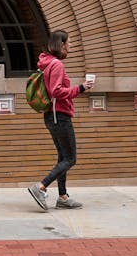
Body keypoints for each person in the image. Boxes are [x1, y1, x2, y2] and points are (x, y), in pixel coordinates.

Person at [27, 29, 94, 211]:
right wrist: (80, 88)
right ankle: (40, 187)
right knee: (70, 158)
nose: (70, 46)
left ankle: (63, 197)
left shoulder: (47, 63)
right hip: (60, 116)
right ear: (62, 44)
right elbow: (56, 91)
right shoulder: (56, 65)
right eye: (69, 43)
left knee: (63, 157)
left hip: (52, 115)